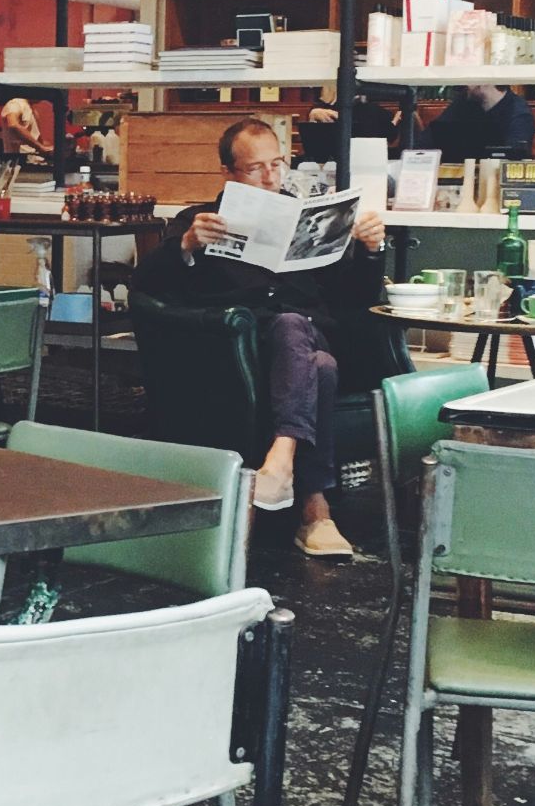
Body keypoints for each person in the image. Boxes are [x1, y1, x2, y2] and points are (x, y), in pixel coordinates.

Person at [132, 117, 390, 560]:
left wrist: (370, 251)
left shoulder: (308, 218)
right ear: (229, 173)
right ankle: (314, 509)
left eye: (278, 164)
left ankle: (279, 464)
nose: (271, 178)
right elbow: (148, 286)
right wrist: (187, 248)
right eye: (256, 169)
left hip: (308, 334)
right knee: (320, 369)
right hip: (238, 350)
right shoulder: (198, 221)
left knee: (296, 327)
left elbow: (354, 298)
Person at [413, 83, 534, 162]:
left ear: (484, 82)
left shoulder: (519, 115)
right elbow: (425, 143)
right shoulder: (464, 102)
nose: (464, 84)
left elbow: (511, 166)